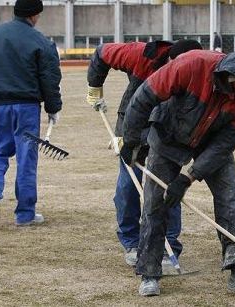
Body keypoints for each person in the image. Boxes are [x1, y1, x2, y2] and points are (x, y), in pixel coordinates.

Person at [120, 47, 235, 297]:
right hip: (167, 135)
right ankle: (149, 272)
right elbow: (144, 97)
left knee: (230, 198)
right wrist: (132, 140)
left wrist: (188, 176)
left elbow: (226, 142)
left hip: (211, 142)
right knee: (155, 202)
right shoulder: (191, 65)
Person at [85, 39, 202, 267]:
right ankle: (131, 242)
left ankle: (168, 246)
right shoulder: (141, 55)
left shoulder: (198, 73)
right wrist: (94, 87)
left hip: (168, 128)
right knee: (129, 186)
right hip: (133, 124)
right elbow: (102, 53)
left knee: (166, 188)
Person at [0, 0, 62, 227]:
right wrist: (53, 107)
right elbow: (49, 78)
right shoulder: (40, 41)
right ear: (35, 15)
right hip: (27, 108)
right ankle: (25, 214)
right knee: (26, 159)